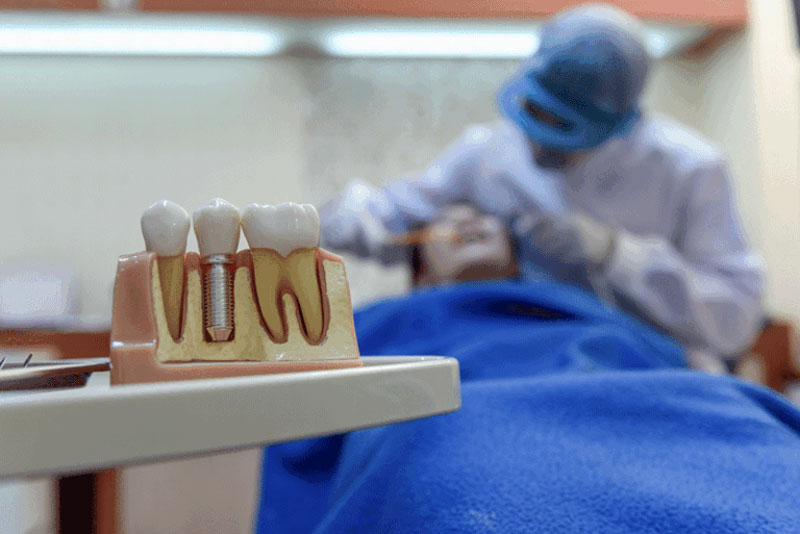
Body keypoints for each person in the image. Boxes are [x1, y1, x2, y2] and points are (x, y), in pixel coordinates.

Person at [319, 3, 764, 359]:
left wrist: (617, 255)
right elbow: (381, 218)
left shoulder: (691, 168)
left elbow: (736, 321)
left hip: (641, 362)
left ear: (621, 125)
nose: (537, 143)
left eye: (565, 131)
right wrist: (330, 223)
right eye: (534, 116)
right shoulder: (487, 155)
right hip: (507, 353)